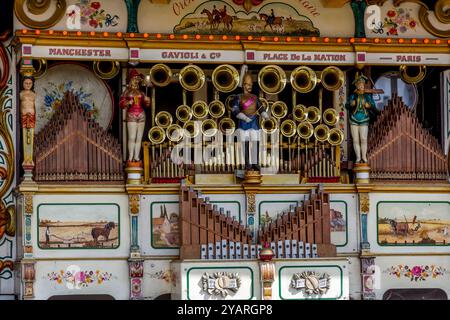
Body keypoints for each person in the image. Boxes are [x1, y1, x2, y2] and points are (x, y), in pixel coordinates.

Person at [231, 72, 269, 170]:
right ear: (243, 85)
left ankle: (255, 163)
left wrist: (265, 116)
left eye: (251, 85)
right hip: (243, 123)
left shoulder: (255, 97)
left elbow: (261, 108)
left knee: (256, 143)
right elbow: (235, 110)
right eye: (248, 85)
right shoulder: (238, 97)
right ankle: (247, 163)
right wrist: (244, 117)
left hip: (254, 123)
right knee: (245, 144)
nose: (250, 87)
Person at [119, 69, 151, 163]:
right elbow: (121, 103)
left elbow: (147, 105)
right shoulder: (127, 92)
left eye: (137, 79)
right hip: (131, 114)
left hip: (141, 114)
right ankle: (130, 157)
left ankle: (136, 157)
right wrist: (128, 102)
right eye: (134, 79)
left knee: (139, 138)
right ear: (130, 80)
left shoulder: (141, 92)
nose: (136, 81)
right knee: (132, 137)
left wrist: (147, 100)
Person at [345, 74, 377, 164]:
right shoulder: (353, 95)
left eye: (362, 85)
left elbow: (373, 105)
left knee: (363, 139)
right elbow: (346, 105)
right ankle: (358, 158)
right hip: (354, 118)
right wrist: (351, 103)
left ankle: (364, 156)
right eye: (359, 85)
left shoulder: (367, 96)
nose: (361, 86)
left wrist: (369, 105)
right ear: (356, 85)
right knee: (355, 139)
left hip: (364, 118)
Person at [20, 74, 36, 168]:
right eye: (26, 83)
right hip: (24, 116)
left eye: (30, 83)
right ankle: (26, 160)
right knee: (26, 137)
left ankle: (29, 160)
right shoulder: (21, 94)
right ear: (22, 83)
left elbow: (35, 107)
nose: (28, 85)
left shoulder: (34, 94)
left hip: (32, 117)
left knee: (31, 137)